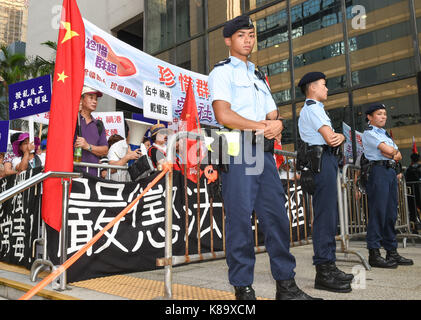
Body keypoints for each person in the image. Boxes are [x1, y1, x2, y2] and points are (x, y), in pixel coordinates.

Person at [208, 15, 317, 300]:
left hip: (263, 152)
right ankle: (243, 289)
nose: (248, 40)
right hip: (235, 147)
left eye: (252, 35)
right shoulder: (222, 72)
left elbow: (272, 114)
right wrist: (263, 126)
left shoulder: (258, 75)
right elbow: (223, 115)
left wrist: (277, 123)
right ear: (228, 40)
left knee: (276, 218)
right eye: (242, 35)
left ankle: (286, 285)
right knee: (240, 219)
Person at [297, 71, 353, 293]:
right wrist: (340, 137)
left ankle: (329, 265)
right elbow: (331, 138)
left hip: (326, 161)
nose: (327, 89)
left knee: (329, 217)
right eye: (324, 85)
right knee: (324, 217)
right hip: (321, 163)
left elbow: (335, 139)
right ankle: (324, 270)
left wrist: (340, 137)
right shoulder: (312, 109)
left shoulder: (316, 109)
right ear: (312, 87)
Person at [362, 103, 413, 268]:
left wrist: (392, 152)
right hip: (378, 172)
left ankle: (392, 251)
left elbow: (396, 154)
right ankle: (374, 253)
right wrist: (391, 152)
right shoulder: (369, 133)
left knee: (391, 213)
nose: (383, 116)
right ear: (370, 117)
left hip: (390, 172)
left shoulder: (384, 133)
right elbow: (389, 151)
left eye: (384, 113)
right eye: (379, 114)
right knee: (378, 212)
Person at [74, 86, 109, 176]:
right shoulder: (72, 120)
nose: (94, 101)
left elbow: (105, 150)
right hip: (73, 175)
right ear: (81, 99)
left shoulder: (98, 124)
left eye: (96, 99)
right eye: (91, 97)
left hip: (93, 176)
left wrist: (88, 146)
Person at [405, 152, 421, 232]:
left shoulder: (408, 169)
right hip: (419, 192)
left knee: (412, 212)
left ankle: (414, 228)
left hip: (410, 193)